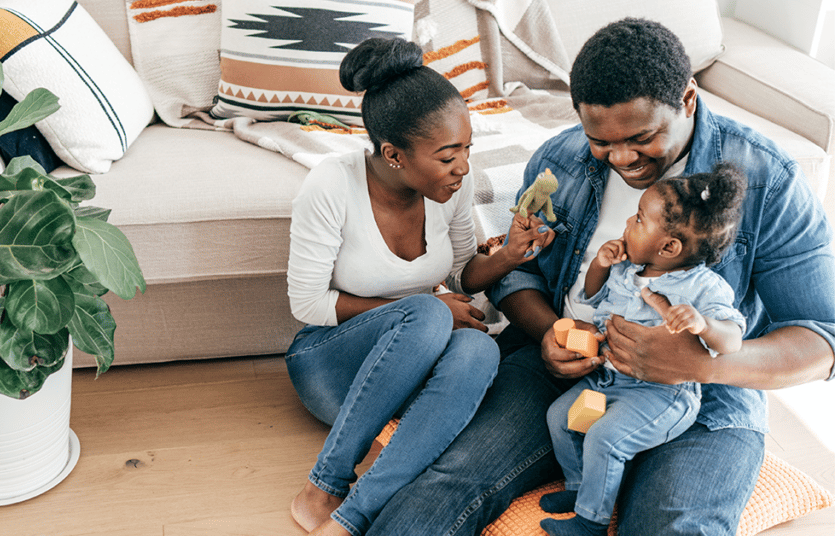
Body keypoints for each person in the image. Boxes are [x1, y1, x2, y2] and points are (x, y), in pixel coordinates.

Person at [368, 18, 835, 535]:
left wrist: (702, 365)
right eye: (600, 141)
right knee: (451, 482)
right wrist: (548, 332)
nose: (622, 159)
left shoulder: (767, 179)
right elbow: (516, 276)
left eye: (641, 138)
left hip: (704, 394)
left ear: (687, 99)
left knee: (674, 525)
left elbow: (822, 337)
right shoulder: (560, 161)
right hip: (562, 375)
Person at [284, 37, 555, 536]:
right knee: (430, 312)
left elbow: (457, 275)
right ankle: (323, 485)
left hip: (406, 373)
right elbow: (307, 302)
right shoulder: (330, 186)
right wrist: (422, 308)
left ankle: (352, 516)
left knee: (478, 349)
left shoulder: (449, 187)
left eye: (468, 149)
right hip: (330, 364)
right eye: (448, 155)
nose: (464, 167)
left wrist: (510, 256)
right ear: (393, 155)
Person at [541, 163, 748, 536]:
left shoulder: (704, 288)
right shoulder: (627, 269)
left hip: (661, 395)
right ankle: (579, 490)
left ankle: (591, 523)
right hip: (608, 381)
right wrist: (601, 266)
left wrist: (703, 324)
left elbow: (732, 339)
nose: (627, 223)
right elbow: (593, 296)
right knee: (562, 418)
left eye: (638, 220)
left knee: (605, 438)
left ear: (669, 246)